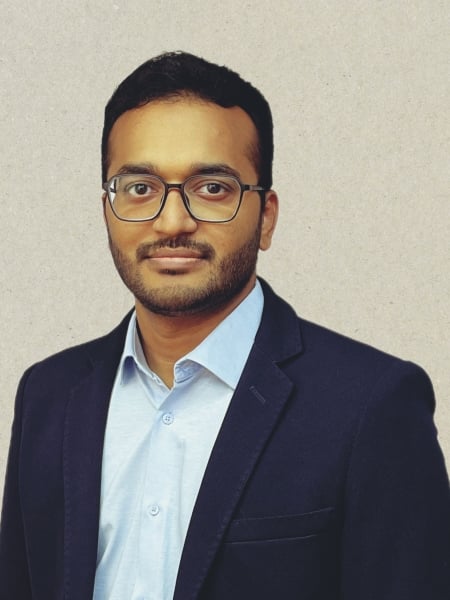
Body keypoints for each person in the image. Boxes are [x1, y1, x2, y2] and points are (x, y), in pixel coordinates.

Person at [0, 51, 449, 600]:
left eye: (212, 188)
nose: (172, 221)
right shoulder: (48, 395)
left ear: (267, 216)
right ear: (107, 211)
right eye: (139, 188)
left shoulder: (371, 405)